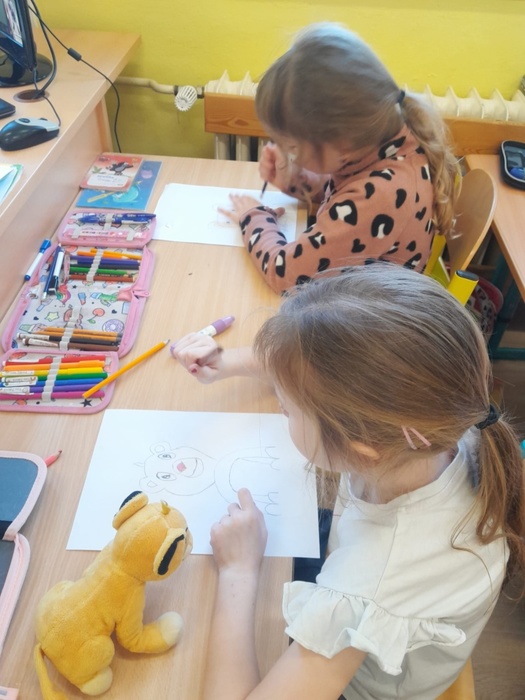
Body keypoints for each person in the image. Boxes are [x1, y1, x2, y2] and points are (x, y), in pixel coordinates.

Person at [172, 264, 525, 700]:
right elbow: (314, 370)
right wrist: (227, 362)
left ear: (361, 448)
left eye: (286, 408)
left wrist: (238, 571)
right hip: (366, 587)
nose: (281, 409)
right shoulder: (436, 419)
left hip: (360, 680)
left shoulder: (371, 581)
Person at [219, 23, 459, 295]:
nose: (286, 154)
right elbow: (341, 196)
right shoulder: (390, 142)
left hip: (365, 316)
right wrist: (294, 180)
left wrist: (253, 218)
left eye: (293, 147)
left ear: (340, 143)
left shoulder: (378, 197)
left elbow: (286, 277)